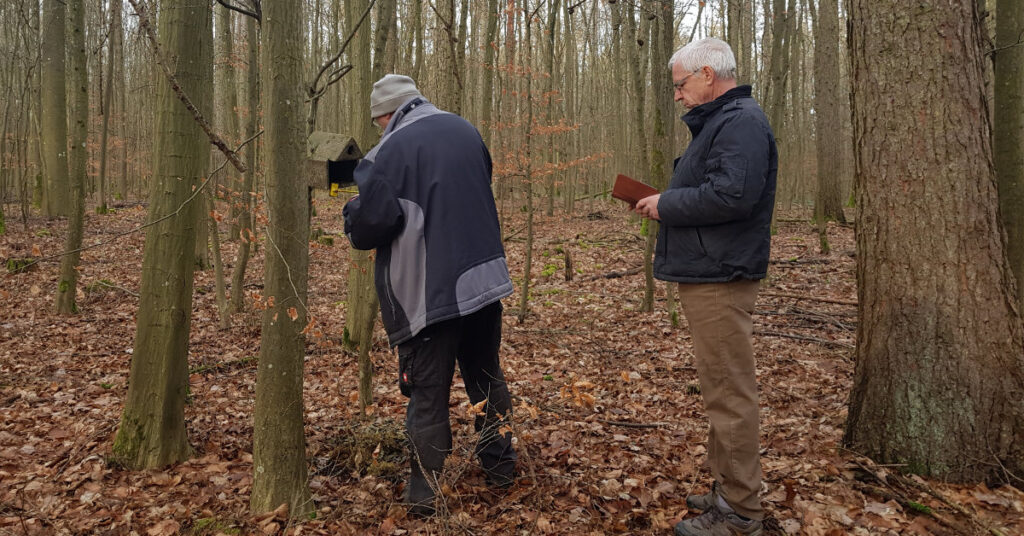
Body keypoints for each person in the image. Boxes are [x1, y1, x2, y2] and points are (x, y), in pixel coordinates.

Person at [343, 74, 517, 518]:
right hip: (482, 280)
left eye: (378, 122)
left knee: (427, 391)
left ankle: (424, 495)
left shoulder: (387, 151)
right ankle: (500, 469)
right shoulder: (465, 129)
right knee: (485, 374)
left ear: (385, 116)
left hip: (429, 293)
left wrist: (350, 210)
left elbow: (368, 229)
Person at [633, 38, 777, 536]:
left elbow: (732, 194)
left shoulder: (740, 123)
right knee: (719, 387)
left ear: (708, 75)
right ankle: (727, 487)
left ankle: (740, 511)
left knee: (728, 392)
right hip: (710, 270)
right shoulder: (723, 122)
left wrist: (666, 205)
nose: (677, 95)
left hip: (722, 273)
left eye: (681, 84)